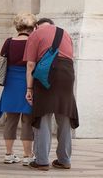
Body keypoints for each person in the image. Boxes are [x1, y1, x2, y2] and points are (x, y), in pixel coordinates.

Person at [23, 18, 79, 171]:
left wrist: (29, 89)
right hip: (67, 74)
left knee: (43, 116)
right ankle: (64, 159)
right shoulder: (66, 34)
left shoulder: (36, 34)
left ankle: (41, 161)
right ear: (53, 25)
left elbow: (30, 64)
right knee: (65, 116)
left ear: (36, 26)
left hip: (46, 76)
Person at [0, 13, 37, 166]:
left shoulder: (9, 41)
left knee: (10, 121)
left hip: (11, 84)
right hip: (27, 82)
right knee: (27, 121)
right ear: (32, 27)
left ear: (18, 27)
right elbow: (33, 64)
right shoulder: (33, 42)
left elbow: (1, 60)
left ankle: (8, 154)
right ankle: (27, 156)